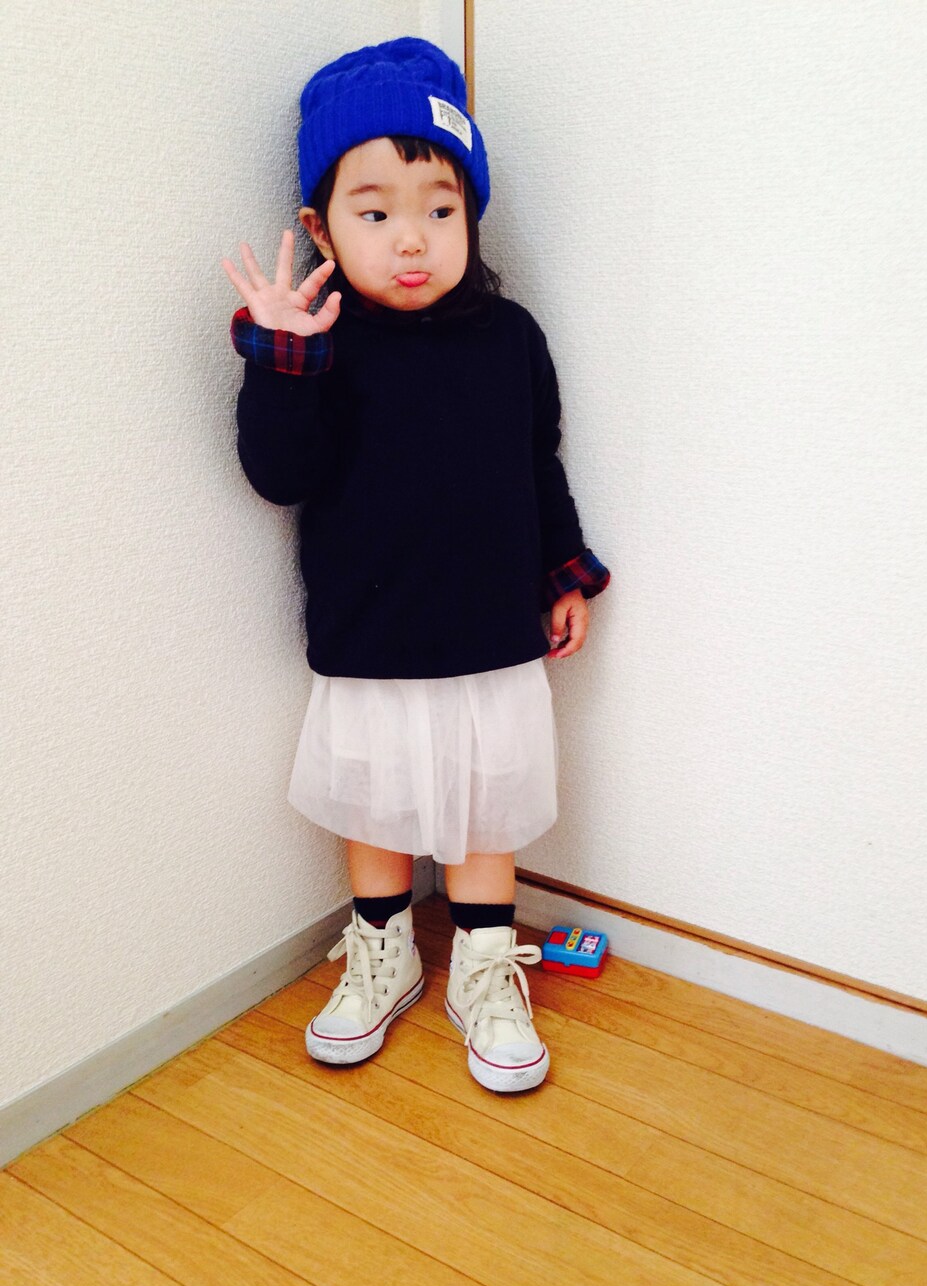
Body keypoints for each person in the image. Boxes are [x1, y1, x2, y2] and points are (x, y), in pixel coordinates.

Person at [222, 36, 609, 1093]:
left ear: (471, 216)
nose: (411, 239)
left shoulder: (510, 337)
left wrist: (563, 569)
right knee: (375, 801)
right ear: (319, 227)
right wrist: (282, 358)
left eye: (440, 209)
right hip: (371, 627)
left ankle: (484, 964)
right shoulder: (322, 343)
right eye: (374, 211)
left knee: (489, 803)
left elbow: (537, 459)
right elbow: (279, 474)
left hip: (490, 626)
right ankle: (382, 949)